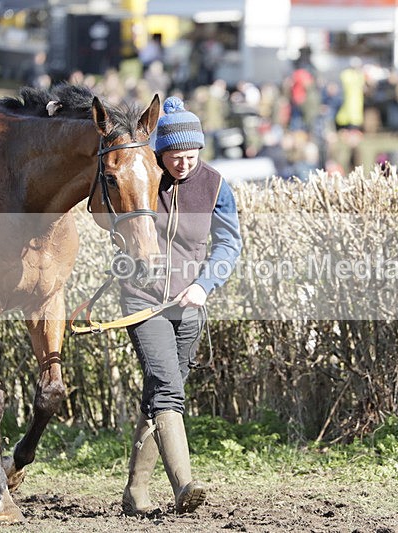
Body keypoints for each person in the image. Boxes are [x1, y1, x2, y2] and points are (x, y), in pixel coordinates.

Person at [119, 96, 242, 516]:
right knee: (168, 388)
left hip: (190, 306)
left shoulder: (216, 185)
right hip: (145, 301)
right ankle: (184, 485)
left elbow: (229, 242)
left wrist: (205, 285)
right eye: (175, 156)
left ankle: (135, 492)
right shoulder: (144, 175)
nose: (183, 165)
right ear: (161, 152)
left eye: (190, 156)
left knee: (161, 392)